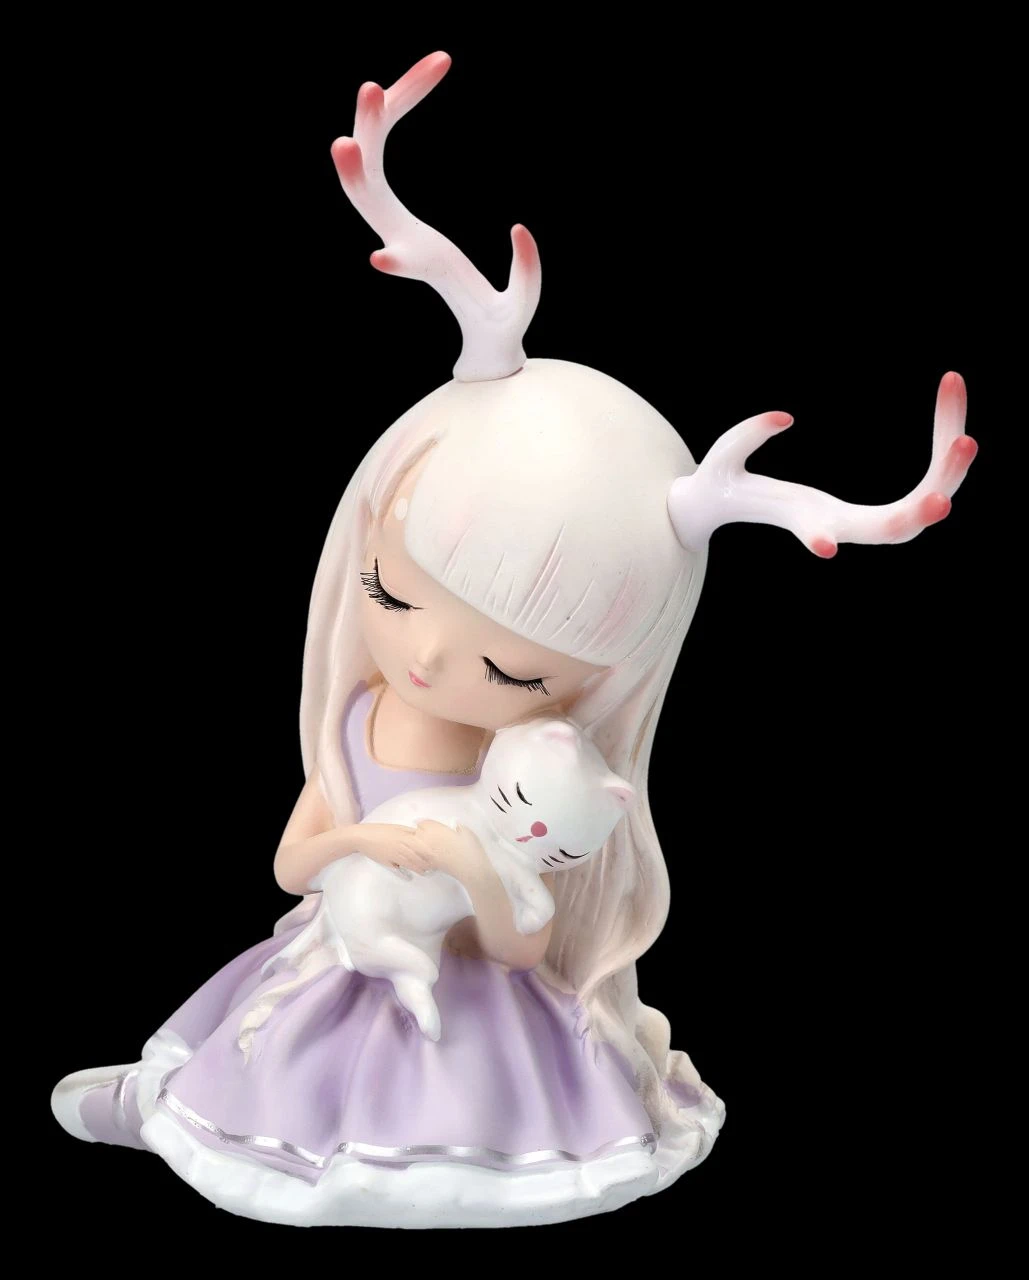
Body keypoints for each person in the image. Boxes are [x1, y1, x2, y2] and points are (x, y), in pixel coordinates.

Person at [50, 50, 975, 1229]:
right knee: (255, 1061)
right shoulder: (355, 717)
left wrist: (478, 869)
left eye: (509, 666)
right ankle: (176, 1103)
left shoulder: (529, 770)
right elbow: (293, 862)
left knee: (472, 1101)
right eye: (389, 589)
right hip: (347, 938)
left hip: (469, 976)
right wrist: (370, 840)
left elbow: (519, 936)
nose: (431, 659)